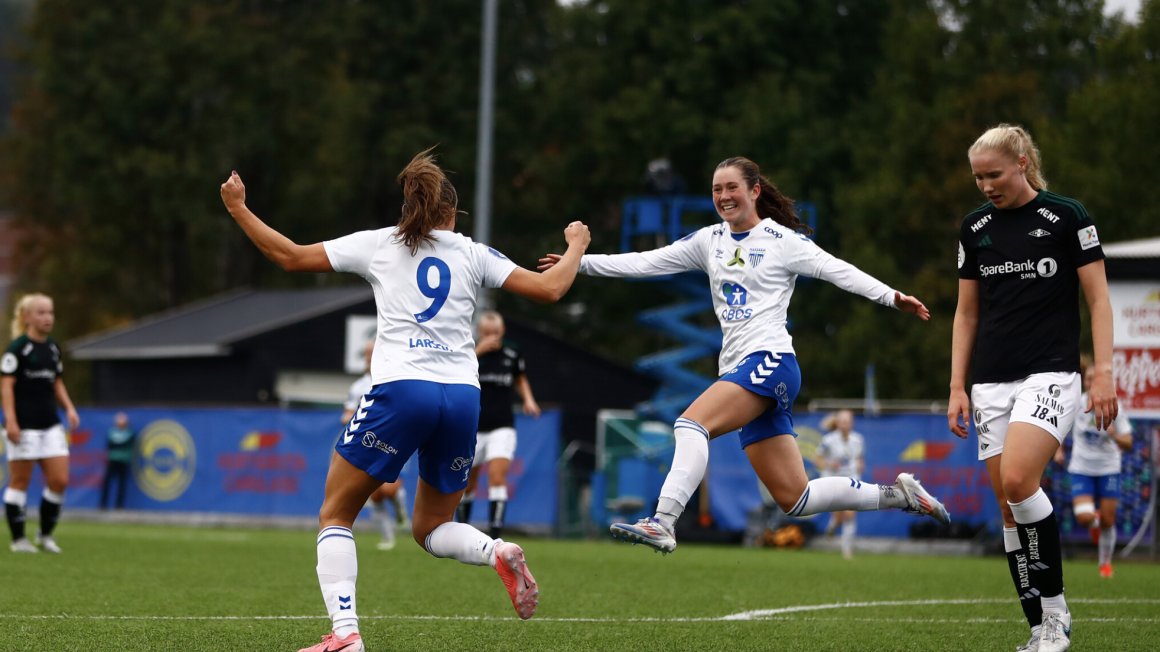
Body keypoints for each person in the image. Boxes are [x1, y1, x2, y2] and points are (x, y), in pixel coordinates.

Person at [221, 148, 590, 652]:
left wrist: (239, 208)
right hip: (462, 398)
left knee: (335, 514)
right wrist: (576, 244)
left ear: (409, 206)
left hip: (403, 391)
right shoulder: (472, 252)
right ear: (451, 213)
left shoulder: (380, 244)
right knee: (432, 526)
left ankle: (346, 635)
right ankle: (495, 550)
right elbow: (551, 288)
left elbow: (289, 255)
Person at [541, 156, 949, 559]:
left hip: (769, 360)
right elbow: (646, 263)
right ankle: (900, 494)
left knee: (690, 424)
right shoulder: (709, 241)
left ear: (755, 191)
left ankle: (663, 521)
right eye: (717, 189)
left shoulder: (782, 242)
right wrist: (579, 263)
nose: (723, 196)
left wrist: (891, 297)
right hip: (742, 369)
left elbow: (837, 270)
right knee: (796, 498)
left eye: (732, 187)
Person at [947, 124, 1117, 652]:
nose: (985, 186)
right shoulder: (975, 227)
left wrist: (1105, 370)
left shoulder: (1066, 216)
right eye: (978, 177)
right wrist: (957, 385)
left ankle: (1057, 616)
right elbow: (967, 312)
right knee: (1006, 506)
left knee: (1021, 480)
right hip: (991, 381)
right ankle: (1038, 628)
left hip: (1051, 372)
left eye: (993, 174)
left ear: (1022, 162)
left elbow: (1099, 301)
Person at [2, 293, 80, 554]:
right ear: (27, 317)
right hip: (23, 426)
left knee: (60, 480)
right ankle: (18, 540)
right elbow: (6, 386)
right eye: (41, 312)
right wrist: (11, 421)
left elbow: (56, 382)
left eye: (50, 312)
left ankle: (45, 535)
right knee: (20, 481)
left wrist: (69, 408)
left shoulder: (53, 348)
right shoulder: (17, 349)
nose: (47, 318)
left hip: (50, 424)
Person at [456, 310, 540, 538]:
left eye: (496, 332)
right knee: (467, 482)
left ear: (502, 331)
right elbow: (455, 373)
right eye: (487, 333)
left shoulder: (512, 355)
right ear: (480, 333)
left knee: (496, 476)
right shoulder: (469, 354)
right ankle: (462, 529)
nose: (492, 337)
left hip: (502, 426)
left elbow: (520, 378)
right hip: (473, 428)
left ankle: (495, 532)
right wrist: (478, 352)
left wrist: (528, 399)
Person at [1054, 356, 1132, 579]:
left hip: (1109, 468)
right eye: (1087, 378)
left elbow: (1128, 443)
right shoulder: (1076, 403)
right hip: (1081, 467)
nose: (1090, 382)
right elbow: (1060, 428)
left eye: (1094, 378)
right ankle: (1096, 515)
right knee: (1084, 518)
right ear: (1084, 381)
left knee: (1108, 521)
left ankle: (1105, 564)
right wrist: (1058, 450)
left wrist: (1114, 435)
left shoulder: (1114, 405)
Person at [342, 340, 410, 551]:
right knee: (374, 494)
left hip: (392, 439)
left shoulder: (395, 380)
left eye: (373, 353)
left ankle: (400, 510)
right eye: (367, 354)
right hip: (365, 443)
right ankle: (388, 537)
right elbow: (347, 414)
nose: (369, 358)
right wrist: (352, 418)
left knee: (389, 489)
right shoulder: (359, 387)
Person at [815, 409, 865, 560]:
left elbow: (860, 459)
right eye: (843, 421)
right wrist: (830, 464)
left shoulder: (858, 439)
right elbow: (817, 459)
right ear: (837, 423)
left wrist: (860, 466)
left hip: (851, 479)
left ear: (852, 423)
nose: (845, 425)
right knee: (838, 516)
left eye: (848, 422)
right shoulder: (828, 440)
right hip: (832, 479)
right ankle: (832, 525)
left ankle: (847, 550)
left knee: (850, 514)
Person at [100, 411, 135, 510]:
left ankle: (119, 506)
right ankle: (103, 505)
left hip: (123, 461)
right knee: (107, 483)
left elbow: (125, 443)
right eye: (118, 420)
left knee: (121, 484)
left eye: (122, 420)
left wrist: (118, 444)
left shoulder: (130, 432)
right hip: (112, 461)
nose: (120, 422)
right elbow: (111, 444)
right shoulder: (111, 431)